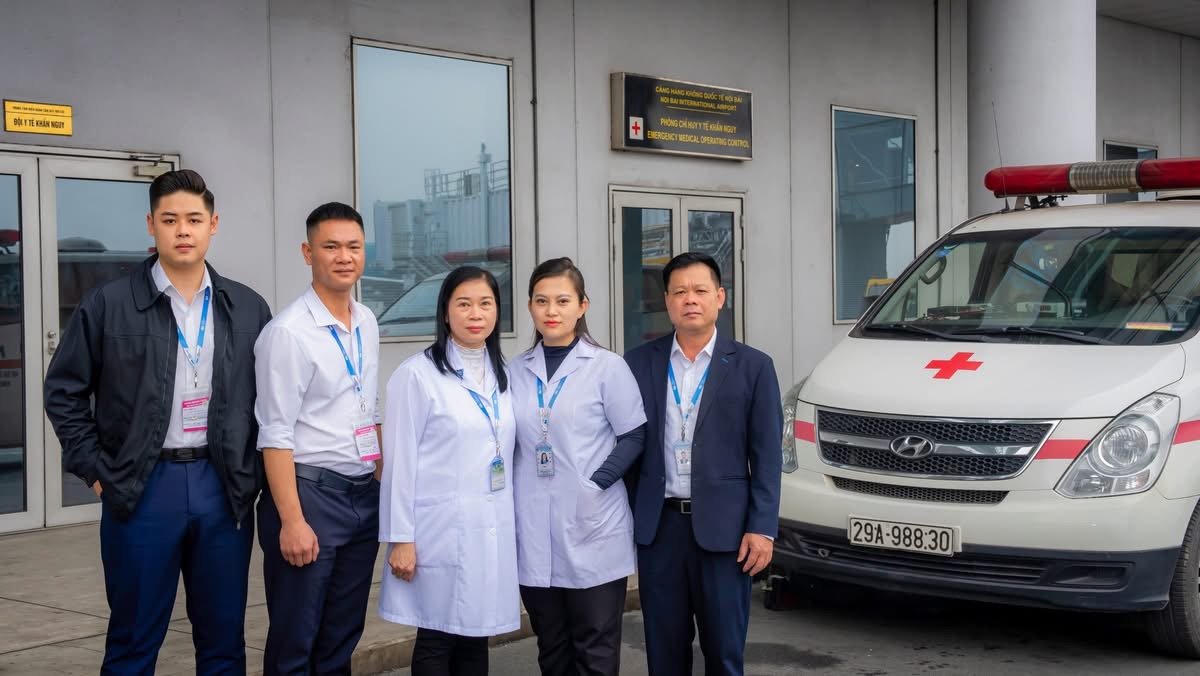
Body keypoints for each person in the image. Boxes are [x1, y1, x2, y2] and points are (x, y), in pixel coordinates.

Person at [43, 169, 271, 674]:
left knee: (223, 642)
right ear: (151, 225)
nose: (182, 230)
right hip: (142, 488)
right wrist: (97, 472)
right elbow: (63, 391)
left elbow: (270, 403)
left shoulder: (248, 307)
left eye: (194, 219)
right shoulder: (109, 304)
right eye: (170, 220)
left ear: (214, 224)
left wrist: (250, 475)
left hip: (222, 488)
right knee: (132, 642)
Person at [617, 252, 783, 676]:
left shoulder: (753, 367)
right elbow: (627, 447)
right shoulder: (637, 364)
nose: (690, 299)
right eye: (680, 292)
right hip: (661, 531)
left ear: (720, 297)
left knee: (725, 654)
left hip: (727, 535)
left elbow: (766, 457)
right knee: (664, 655)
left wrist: (761, 528)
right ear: (668, 302)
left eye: (700, 290)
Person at [254, 202, 382, 675]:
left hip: (361, 496)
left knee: (340, 640)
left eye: (353, 246)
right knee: (296, 641)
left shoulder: (366, 321)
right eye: (331, 247)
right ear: (308, 253)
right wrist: (292, 520)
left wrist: (384, 487)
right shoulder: (287, 333)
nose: (343, 256)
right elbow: (275, 432)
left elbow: (370, 410)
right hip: (310, 497)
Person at [379, 265, 519, 676]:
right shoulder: (417, 375)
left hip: (488, 528)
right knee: (437, 636)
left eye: (485, 304)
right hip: (436, 531)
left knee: (476, 634)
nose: (475, 313)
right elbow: (398, 462)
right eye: (464, 304)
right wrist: (400, 538)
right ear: (445, 313)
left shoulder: (503, 373)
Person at [510, 257, 646, 676]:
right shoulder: (515, 370)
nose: (552, 311)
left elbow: (634, 436)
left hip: (594, 524)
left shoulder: (607, 367)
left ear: (583, 306)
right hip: (534, 527)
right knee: (551, 646)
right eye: (542, 301)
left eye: (563, 300)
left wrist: (595, 483)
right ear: (530, 307)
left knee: (595, 648)